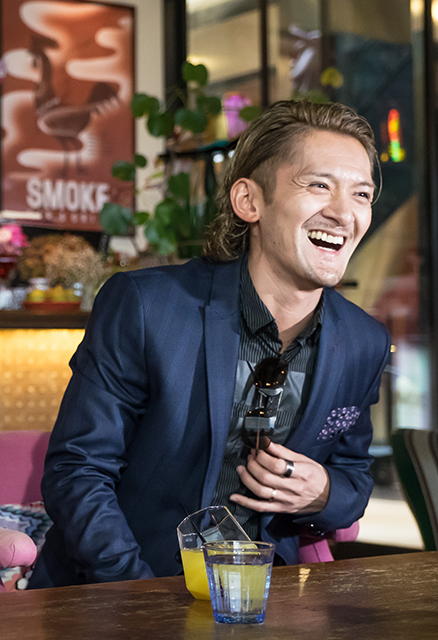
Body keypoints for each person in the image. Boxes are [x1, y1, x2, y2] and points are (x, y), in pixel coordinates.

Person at [30, 100, 389, 587]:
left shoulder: (364, 341)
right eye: (319, 185)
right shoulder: (147, 306)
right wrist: (140, 595)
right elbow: (78, 471)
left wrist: (323, 492)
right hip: (119, 590)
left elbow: (354, 476)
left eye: (362, 194)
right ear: (249, 201)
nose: (344, 212)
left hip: (266, 598)